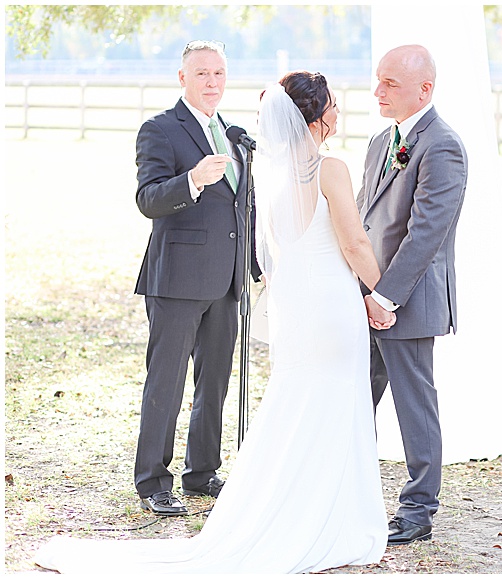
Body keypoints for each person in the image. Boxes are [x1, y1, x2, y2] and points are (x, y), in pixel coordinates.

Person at [34, 71, 389, 573]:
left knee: (299, 402)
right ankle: (326, 514)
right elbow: (353, 244)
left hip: (298, 305)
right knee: (329, 402)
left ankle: (288, 504)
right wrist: (382, 293)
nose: (338, 111)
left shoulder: (272, 170)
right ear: (317, 115)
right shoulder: (331, 167)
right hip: (328, 303)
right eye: (332, 104)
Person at [131, 40, 261, 515]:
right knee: (166, 382)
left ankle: (202, 472)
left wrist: (253, 266)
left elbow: (240, 207)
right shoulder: (161, 129)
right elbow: (148, 199)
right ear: (182, 78)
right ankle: (153, 482)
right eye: (203, 74)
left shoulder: (232, 132)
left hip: (227, 281)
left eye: (220, 74)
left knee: (215, 382)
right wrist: (193, 180)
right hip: (177, 280)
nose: (212, 82)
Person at [358, 44, 468, 544]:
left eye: (390, 84)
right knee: (356, 400)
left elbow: (427, 232)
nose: (378, 91)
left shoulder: (442, 145)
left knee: (413, 404)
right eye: (378, 80)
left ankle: (420, 508)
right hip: (367, 297)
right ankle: (352, 492)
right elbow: (365, 218)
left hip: (407, 300)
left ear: (424, 89)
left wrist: (386, 297)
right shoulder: (383, 140)